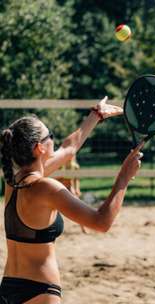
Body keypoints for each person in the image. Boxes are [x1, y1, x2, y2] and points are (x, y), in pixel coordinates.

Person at [0, 96, 144, 304]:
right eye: (50, 135)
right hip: (40, 291)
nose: (54, 140)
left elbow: (69, 149)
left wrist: (96, 115)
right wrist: (124, 178)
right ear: (39, 148)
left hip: (7, 289)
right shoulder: (47, 188)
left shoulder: (13, 183)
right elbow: (101, 222)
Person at [55, 156, 87, 233]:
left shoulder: (75, 166)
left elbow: (76, 180)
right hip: (60, 189)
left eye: (72, 156)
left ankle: (83, 227)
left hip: (70, 189)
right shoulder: (60, 166)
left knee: (79, 209)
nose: (70, 157)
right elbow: (56, 179)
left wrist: (77, 189)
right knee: (54, 209)